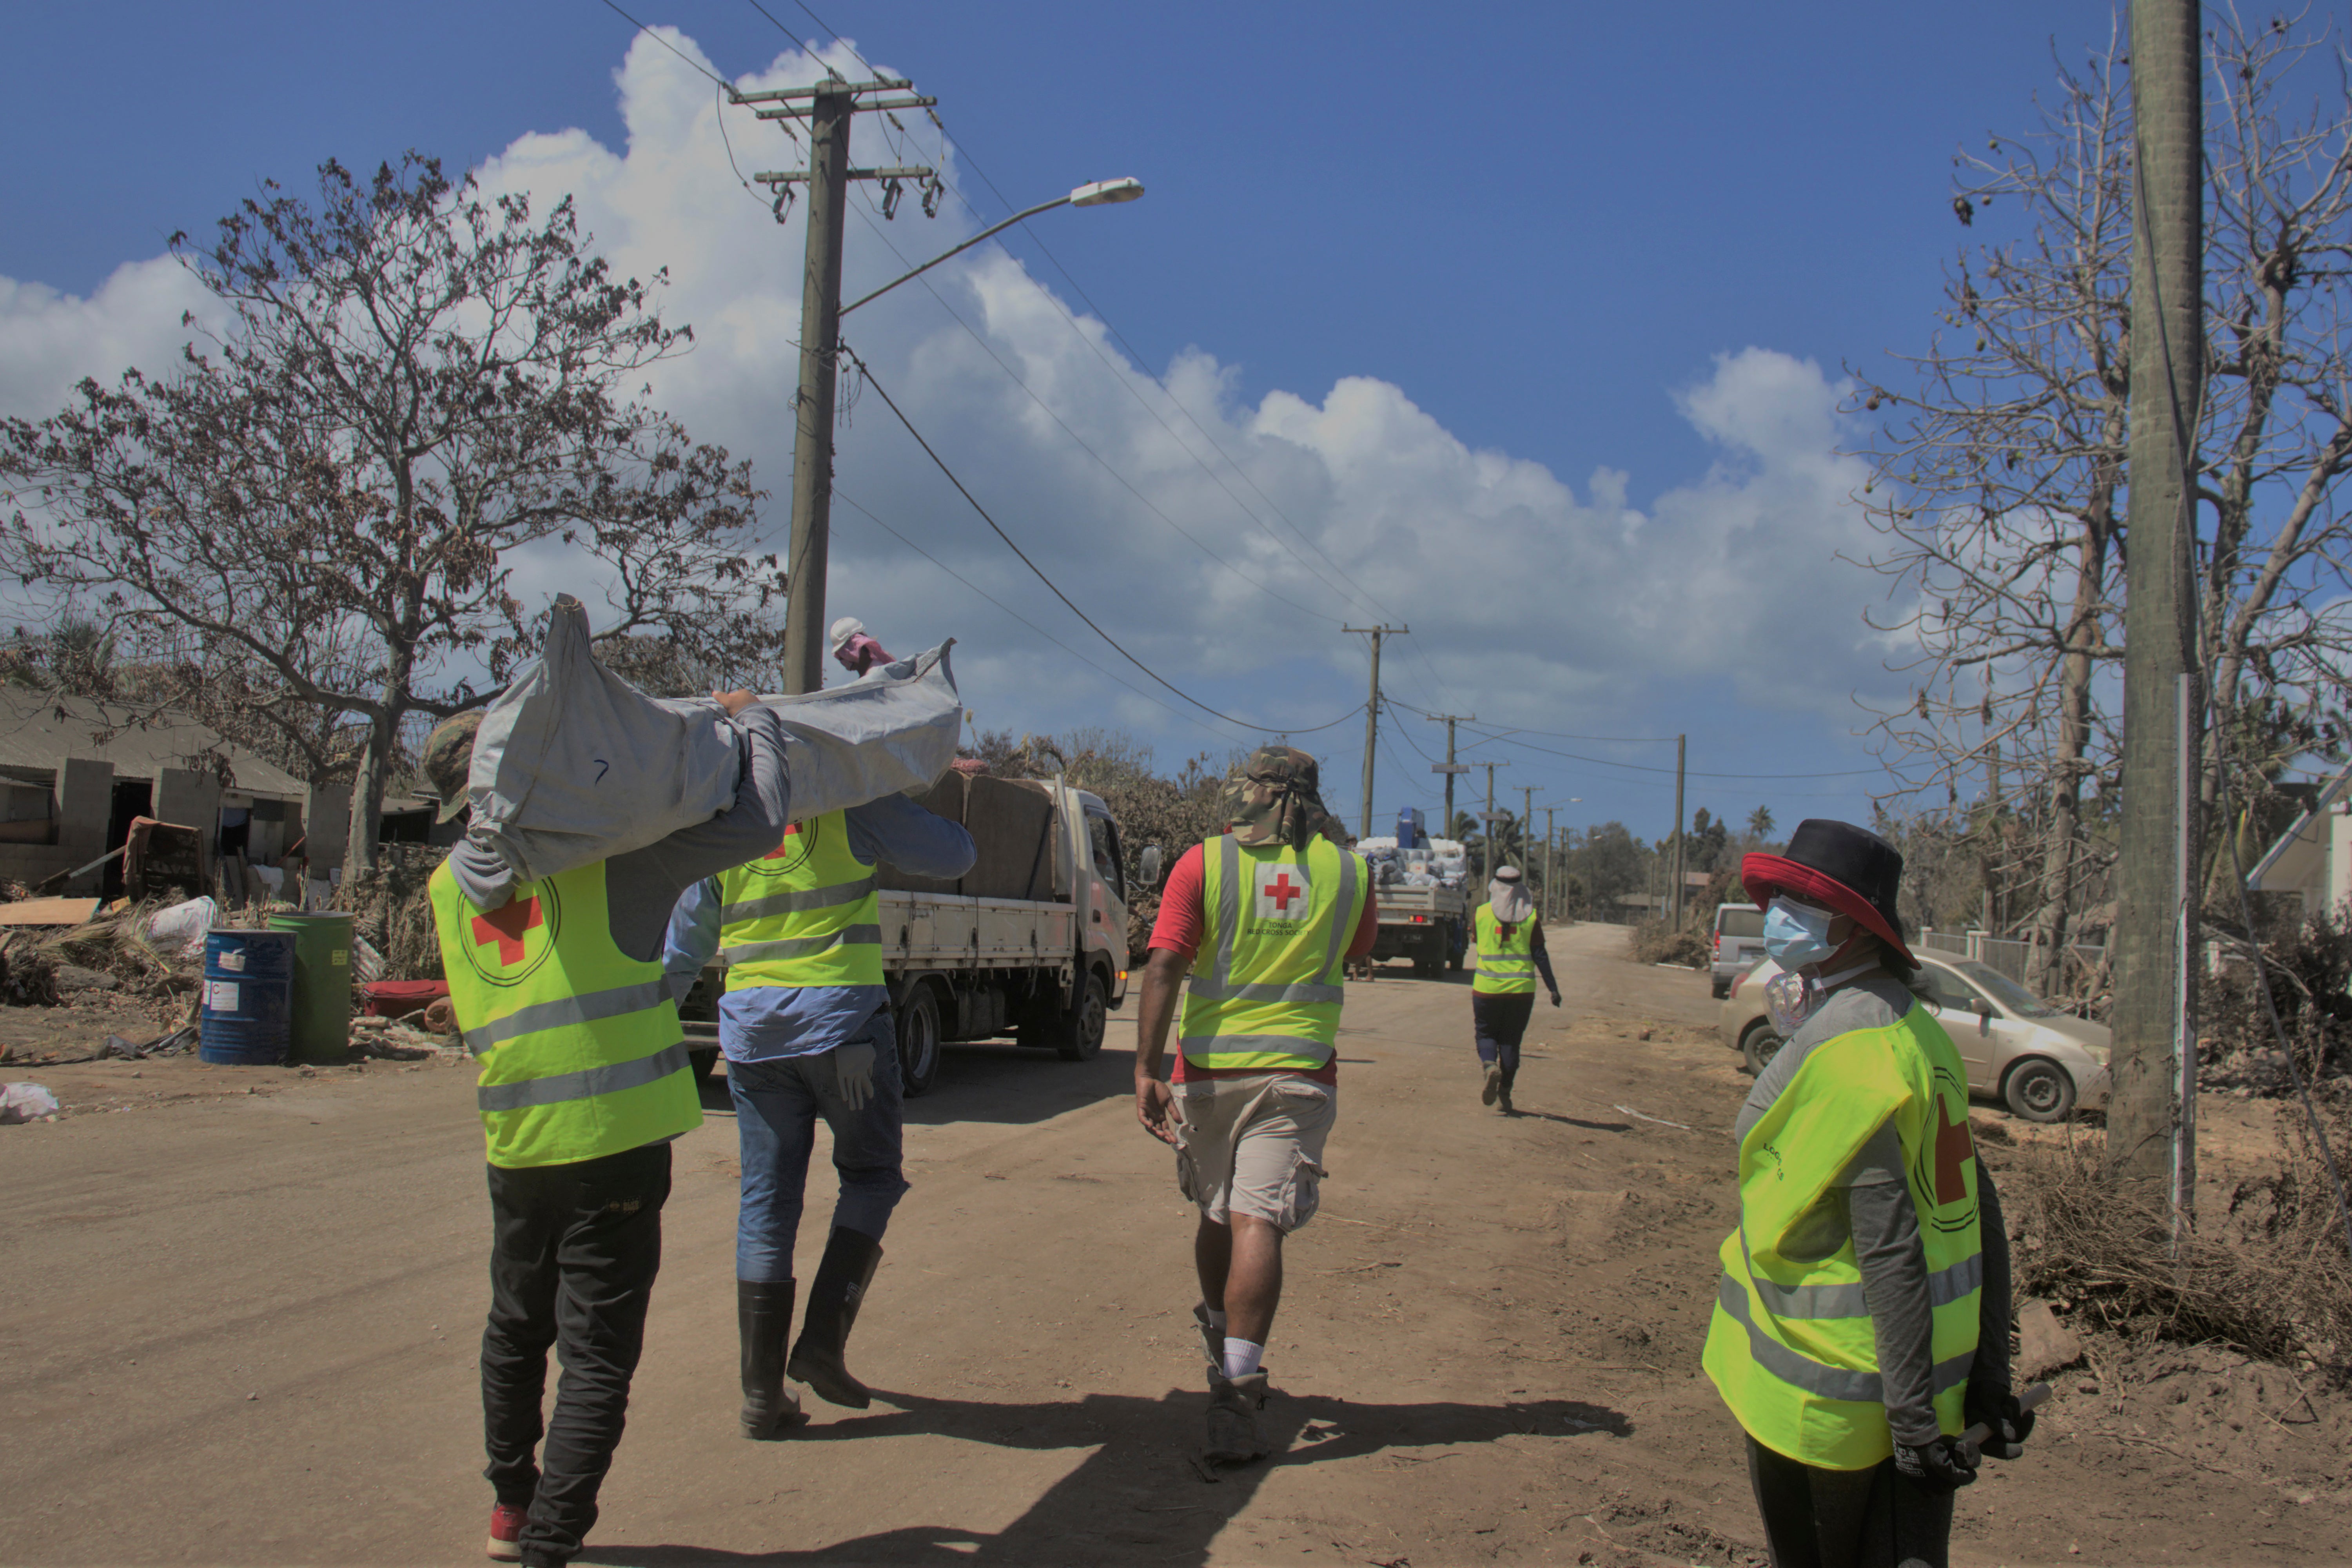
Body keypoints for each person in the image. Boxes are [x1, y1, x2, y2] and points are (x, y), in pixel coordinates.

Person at [423, 691, 791, 1568]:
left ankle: (512, 1512)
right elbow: (762, 819)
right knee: (596, 1355)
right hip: (615, 1142)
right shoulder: (608, 862)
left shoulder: (443, 885)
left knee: (516, 1328)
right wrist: (754, 724)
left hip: (517, 1140)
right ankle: (551, 1540)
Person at [1700, 819, 2033, 1568]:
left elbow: (1888, 1245)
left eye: (1797, 900)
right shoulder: (1922, 1033)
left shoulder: (1849, 1055)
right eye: (1778, 895)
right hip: (1927, 1390)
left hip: (1834, 1401)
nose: (1777, 912)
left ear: (1854, 927)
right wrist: (1986, 1381)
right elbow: (1981, 1213)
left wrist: (1911, 1421)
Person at [663, 790, 974, 1435]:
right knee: (871, 1177)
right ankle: (822, 1345)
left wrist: (639, 1031)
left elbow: (681, 950)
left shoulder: (724, 821)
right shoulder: (851, 808)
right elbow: (956, 854)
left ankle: (761, 1395)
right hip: (844, 1036)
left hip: (753, 1041)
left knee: (766, 1205)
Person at [1131, 748, 1378, 1463]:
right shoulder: (1351, 869)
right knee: (1256, 1218)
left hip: (1208, 1073)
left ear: (1250, 795)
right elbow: (1358, 953)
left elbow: (1166, 964)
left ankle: (1221, 1335)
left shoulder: (1201, 863)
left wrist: (1146, 1067)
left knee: (1220, 1213)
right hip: (1300, 1076)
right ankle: (1236, 1386)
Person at [1469, 865, 1560, 1114]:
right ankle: (1506, 1091)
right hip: (1521, 992)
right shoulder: (1531, 917)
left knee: (1486, 1034)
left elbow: (1476, 940)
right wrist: (1553, 989)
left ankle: (1489, 1066)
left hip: (1486, 989)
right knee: (1511, 1041)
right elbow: (1540, 955)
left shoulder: (1481, 913)